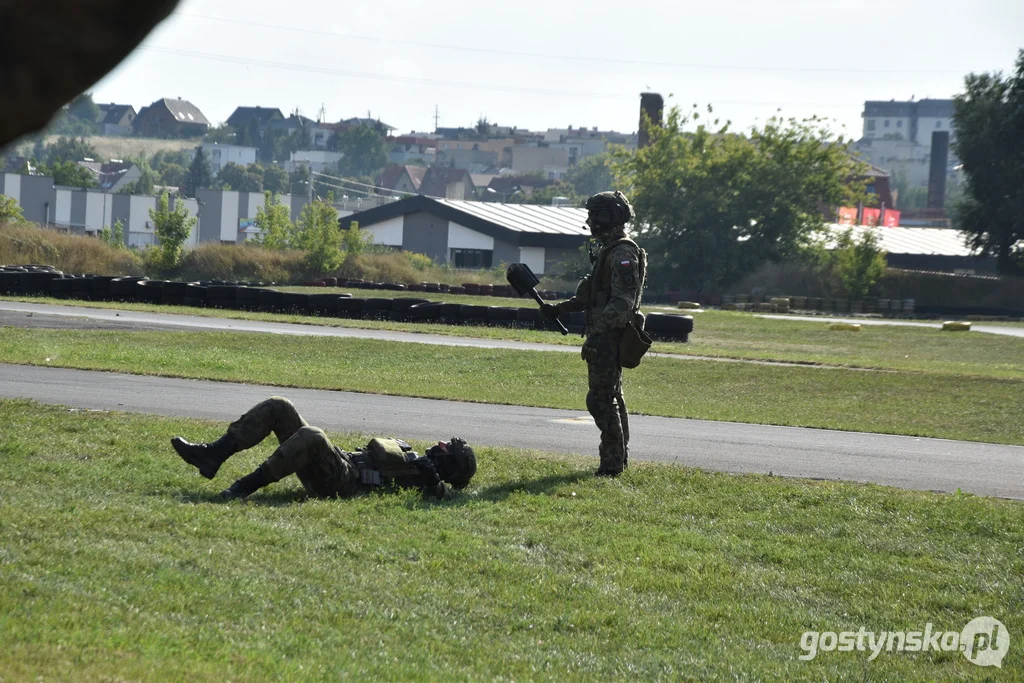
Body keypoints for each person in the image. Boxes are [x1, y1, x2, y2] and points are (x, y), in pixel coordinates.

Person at [170, 396, 477, 500]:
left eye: (449, 448)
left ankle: (243, 488)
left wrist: (433, 481)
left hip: (343, 483)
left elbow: (446, 495)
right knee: (280, 407)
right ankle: (212, 455)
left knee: (313, 435)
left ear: (454, 466)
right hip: (338, 464)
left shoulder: (432, 484)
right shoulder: (413, 455)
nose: (441, 444)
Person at [541, 190, 647, 477]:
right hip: (605, 334)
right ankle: (617, 460)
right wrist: (559, 309)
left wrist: (597, 335)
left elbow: (622, 301)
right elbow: (595, 297)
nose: (589, 221)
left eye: (594, 216)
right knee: (611, 397)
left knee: (600, 400)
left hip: (610, 336)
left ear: (606, 218)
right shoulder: (609, 251)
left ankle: (611, 465)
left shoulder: (622, 252)